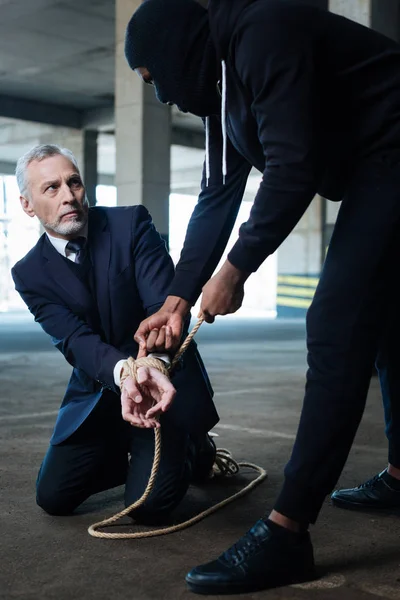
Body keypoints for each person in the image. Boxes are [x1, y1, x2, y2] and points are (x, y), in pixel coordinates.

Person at [124, 0, 400, 593]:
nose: (162, 98)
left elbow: (293, 166)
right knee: (383, 322)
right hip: (376, 165)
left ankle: (286, 531)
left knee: (334, 322)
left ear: (177, 51)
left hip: (395, 149)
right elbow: (217, 195)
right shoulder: (221, 94)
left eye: (154, 80)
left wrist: (237, 268)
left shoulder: (259, 32)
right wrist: (177, 298)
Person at [12, 144, 218, 523]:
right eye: (51, 188)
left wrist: (150, 364)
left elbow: (165, 309)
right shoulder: (28, 274)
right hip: (100, 387)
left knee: (149, 508)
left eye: (73, 182)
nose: (69, 195)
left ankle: (192, 446)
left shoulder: (130, 224)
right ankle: (127, 444)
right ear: (27, 205)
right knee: (53, 497)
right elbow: (74, 340)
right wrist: (123, 375)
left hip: (161, 377)